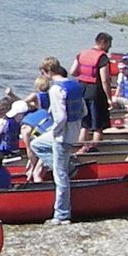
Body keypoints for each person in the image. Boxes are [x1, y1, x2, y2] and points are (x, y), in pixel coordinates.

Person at [27, 67, 85, 223]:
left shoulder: (55, 89)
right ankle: (70, 167)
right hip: (72, 131)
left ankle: (62, 214)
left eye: (43, 73)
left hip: (61, 137)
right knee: (37, 144)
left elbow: (61, 118)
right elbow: (84, 111)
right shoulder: (75, 85)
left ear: (48, 71)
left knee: (60, 177)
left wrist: (54, 131)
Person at [71, 33, 115, 149]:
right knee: (98, 125)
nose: (110, 47)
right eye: (109, 44)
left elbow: (73, 72)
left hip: (81, 90)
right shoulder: (102, 58)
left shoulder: (82, 54)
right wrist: (109, 98)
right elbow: (105, 80)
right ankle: (95, 149)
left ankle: (79, 148)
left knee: (85, 124)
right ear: (103, 42)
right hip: (96, 92)